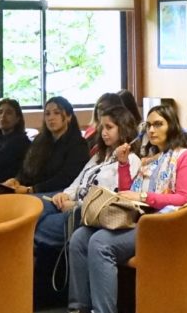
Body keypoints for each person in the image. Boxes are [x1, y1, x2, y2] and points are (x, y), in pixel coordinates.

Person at [56, 103, 187, 313]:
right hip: (139, 221)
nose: (152, 130)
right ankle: (81, 312)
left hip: (162, 227)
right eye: (149, 125)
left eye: (158, 124)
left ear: (172, 126)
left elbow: (186, 197)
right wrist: (124, 165)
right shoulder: (149, 159)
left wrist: (145, 196)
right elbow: (128, 194)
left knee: (101, 242)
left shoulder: (185, 157)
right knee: (80, 237)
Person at [35, 98, 141, 250]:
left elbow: (111, 199)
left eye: (109, 127)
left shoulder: (131, 159)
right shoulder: (100, 155)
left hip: (88, 213)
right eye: (102, 128)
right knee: (35, 205)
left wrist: (76, 204)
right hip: (72, 202)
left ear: (123, 128)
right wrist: (66, 194)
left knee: (38, 226)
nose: (103, 133)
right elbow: (79, 179)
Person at [5, 96, 89, 195]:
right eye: (47, 114)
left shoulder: (78, 144)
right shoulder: (40, 140)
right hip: (31, 190)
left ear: (69, 116)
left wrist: (32, 190)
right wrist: (16, 180)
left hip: (58, 194)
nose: (51, 118)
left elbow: (66, 178)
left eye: (56, 113)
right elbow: (27, 169)